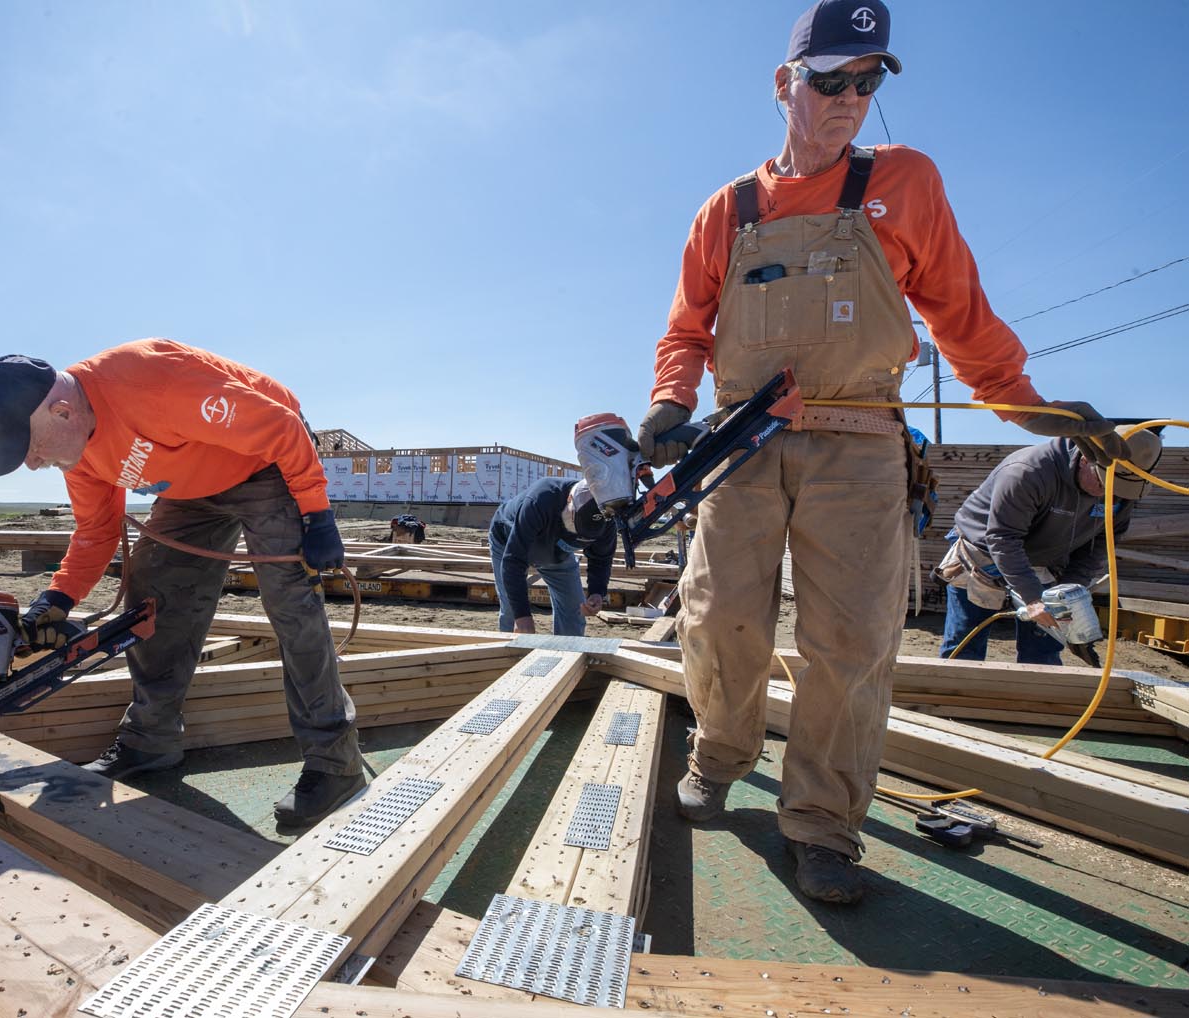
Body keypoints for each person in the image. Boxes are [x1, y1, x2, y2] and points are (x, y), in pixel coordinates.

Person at [636, 0, 1129, 904]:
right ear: (784, 85)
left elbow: (959, 310)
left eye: (866, 82)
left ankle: (822, 825)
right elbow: (684, 329)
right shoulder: (727, 210)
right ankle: (719, 754)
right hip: (742, 447)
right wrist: (670, 401)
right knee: (718, 620)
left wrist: (1032, 409)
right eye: (830, 81)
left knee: (850, 645)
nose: (850, 99)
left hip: (860, 447)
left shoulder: (904, 180)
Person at [0, 338, 366, 827]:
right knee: (153, 595)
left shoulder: (150, 382)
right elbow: (95, 532)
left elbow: (279, 429)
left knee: (290, 601)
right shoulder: (78, 452)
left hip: (265, 460)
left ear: (63, 411)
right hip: (190, 486)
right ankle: (149, 740)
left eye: (31, 446)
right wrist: (55, 601)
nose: (31, 463)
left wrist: (317, 513)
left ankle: (334, 762)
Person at [938, 427, 1162, 664]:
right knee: (965, 647)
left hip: (1045, 560)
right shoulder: (1028, 471)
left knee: (1044, 649)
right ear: (1087, 458)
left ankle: (1037, 698)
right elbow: (1003, 538)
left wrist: (1066, 592)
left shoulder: (1122, 491)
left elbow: (1098, 546)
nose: (1108, 493)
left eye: (1118, 489)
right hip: (982, 554)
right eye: (1103, 482)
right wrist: (1033, 599)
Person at [488, 477, 616, 636]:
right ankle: (509, 655)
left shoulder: (607, 518)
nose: (578, 535)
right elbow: (514, 561)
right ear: (570, 502)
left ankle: (567, 654)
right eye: (577, 528)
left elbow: (601, 558)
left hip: (556, 552)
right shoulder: (539, 501)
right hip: (507, 541)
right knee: (511, 609)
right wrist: (522, 617)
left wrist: (597, 591)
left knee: (573, 609)